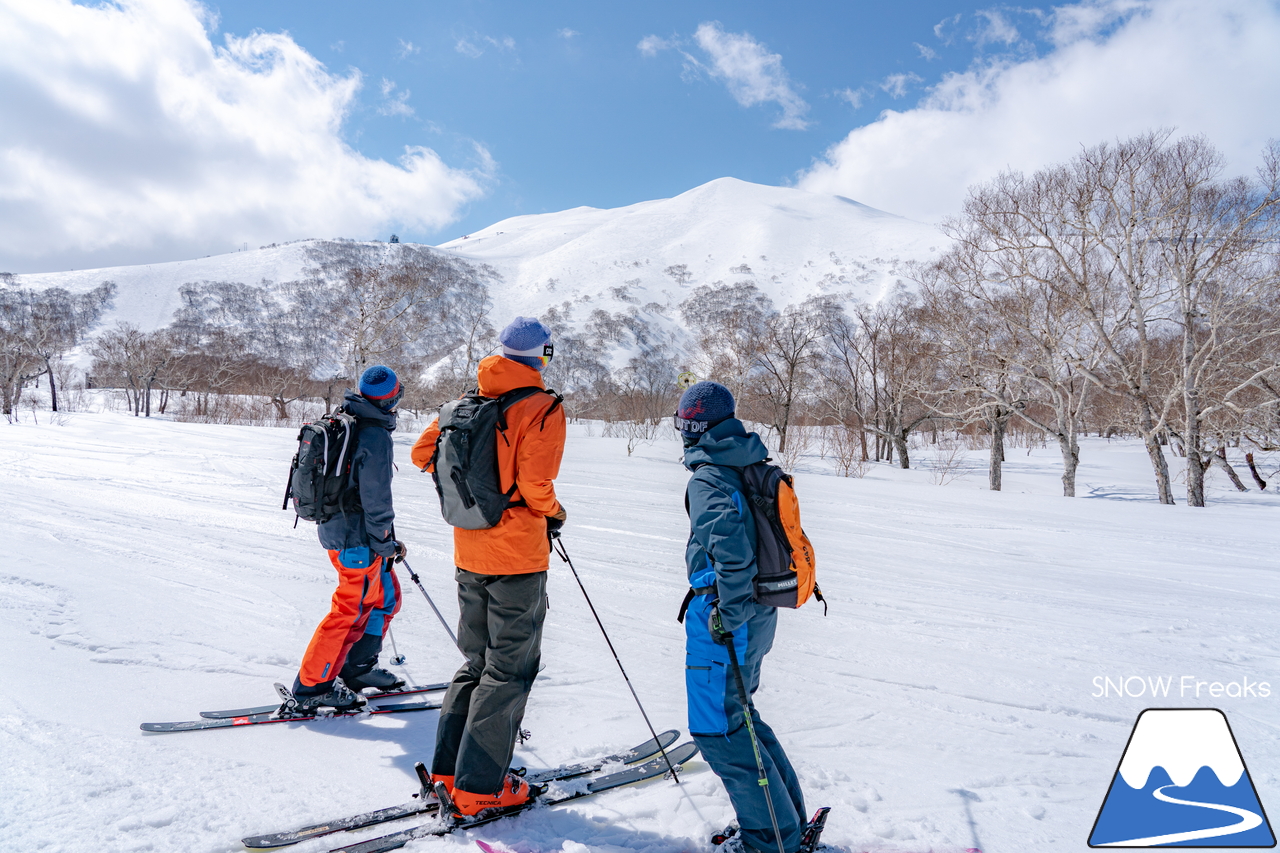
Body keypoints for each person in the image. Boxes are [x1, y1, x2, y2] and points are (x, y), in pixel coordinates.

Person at [410, 317, 567, 818]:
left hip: (468, 551)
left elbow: (420, 454)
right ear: (539, 355)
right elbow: (536, 484)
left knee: (475, 663)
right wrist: (554, 514)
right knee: (509, 670)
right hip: (517, 557)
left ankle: (447, 772)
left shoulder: (462, 405)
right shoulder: (541, 407)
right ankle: (480, 788)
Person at [675, 381, 806, 853]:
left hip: (729, 617)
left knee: (719, 730)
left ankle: (770, 841)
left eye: (685, 424)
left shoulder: (709, 478)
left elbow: (733, 559)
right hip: (757, 613)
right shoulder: (746, 459)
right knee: (741, 717)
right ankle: (786, 827)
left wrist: (724, 619)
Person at [290, 365, 407, 713]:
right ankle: (313, 687)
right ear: (393, 399)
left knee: (385, 597)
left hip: (343, 531)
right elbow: (376, 498)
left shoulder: (348, 417)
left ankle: (357, 668)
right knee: (349, 610)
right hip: (356, 539)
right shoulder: (372, 435)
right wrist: (385, 541)